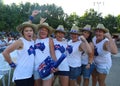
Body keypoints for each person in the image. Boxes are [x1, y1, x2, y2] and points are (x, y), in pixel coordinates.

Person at [2, 22, 36, 86]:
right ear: (23, 32)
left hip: (30, 74)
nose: (29, 32)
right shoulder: (20, 41)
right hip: (21, 75)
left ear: (33, 32)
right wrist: (11, 64)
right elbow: (5, 52)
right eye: (26, 31)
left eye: (30, 30)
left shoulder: (32, 41)